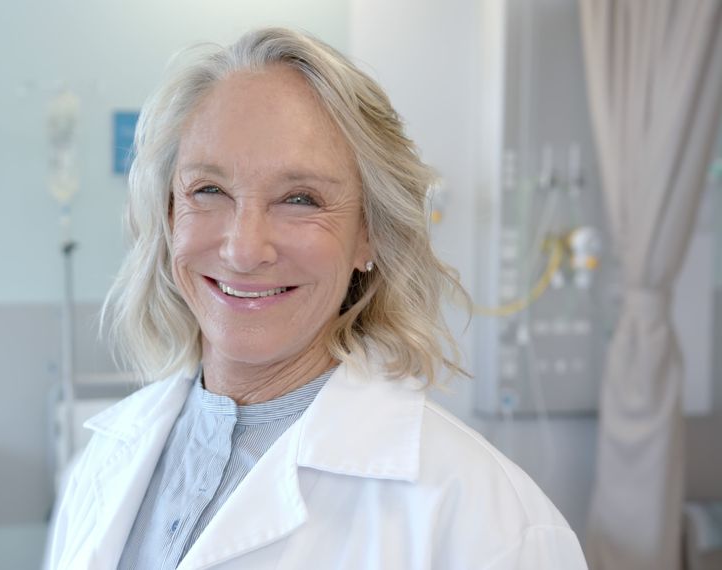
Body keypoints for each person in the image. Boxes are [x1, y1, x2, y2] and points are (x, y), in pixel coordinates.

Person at [45, 27, 587, 569]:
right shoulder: (106, 462)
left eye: (300, 199)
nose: (243, 249)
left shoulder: (489, 524)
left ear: (368, 234)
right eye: (208, 190)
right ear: (168, 216)